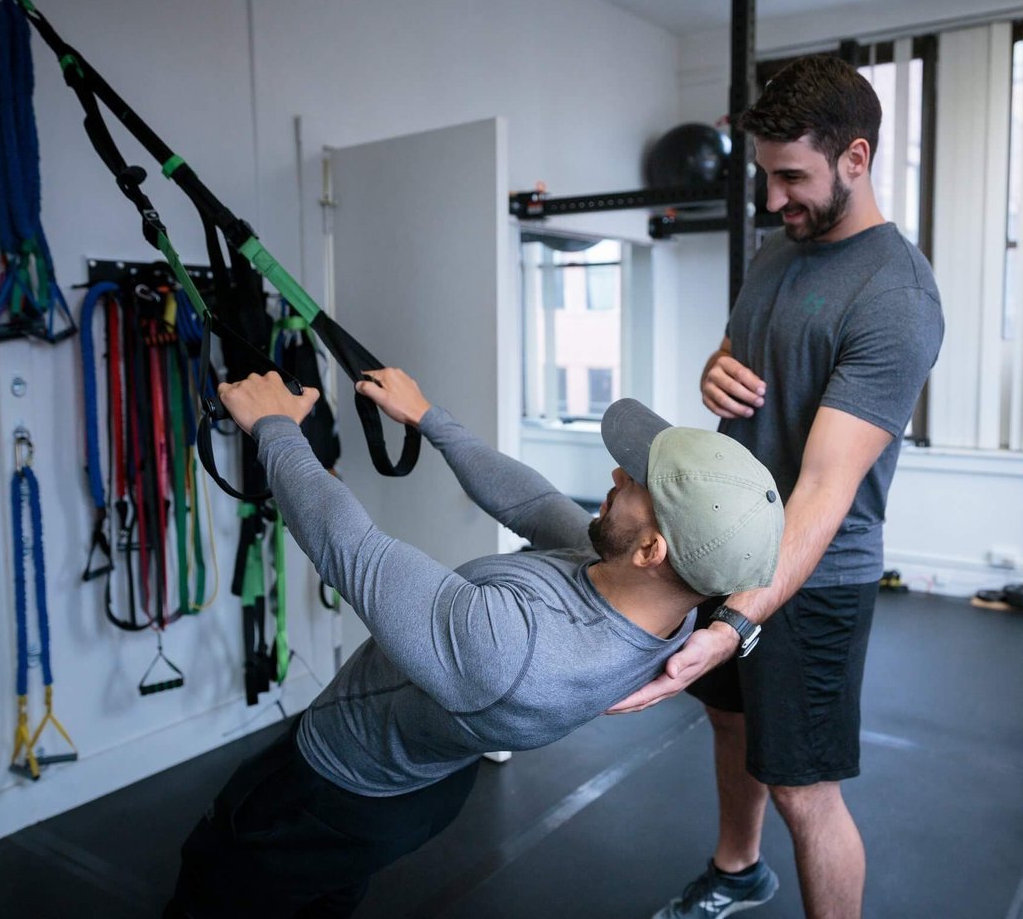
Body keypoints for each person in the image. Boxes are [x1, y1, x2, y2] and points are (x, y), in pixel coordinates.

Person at [164, 368, 784, 918]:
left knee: (212, 890)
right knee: (327, 894)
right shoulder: (655, 604)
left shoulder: (517, 652)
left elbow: (351, 551)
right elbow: (534, 502)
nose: (617, 474)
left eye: (637, 483)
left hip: (334, 788)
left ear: (652, 551)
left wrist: (275, 429)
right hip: (427, 784)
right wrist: (429, 417)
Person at [614, 55, 945, 919]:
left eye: (791, 177)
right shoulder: (777, 249)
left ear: (857, 159)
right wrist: (714, 372)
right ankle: (736, 869)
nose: (772, 200)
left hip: (813, 575)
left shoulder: (896, 296)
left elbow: (824, 493)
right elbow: (740, 361)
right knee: (729, 727)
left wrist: (732, 625)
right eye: (766, 176)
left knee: (805, 788)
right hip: (731, 549)